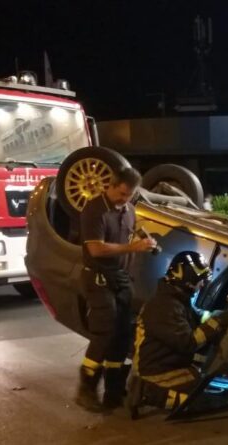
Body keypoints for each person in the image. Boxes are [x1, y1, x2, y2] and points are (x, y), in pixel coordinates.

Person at [78, 167, 156, 412]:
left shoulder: (129, 211)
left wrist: (147, 243)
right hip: (98, 278)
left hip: (121, 279)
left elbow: (130, 237)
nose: (124, 199)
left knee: (123, 334)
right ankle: (86, 388)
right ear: (110, 186)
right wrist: (133, 248)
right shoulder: (94, 210)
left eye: (129, 195)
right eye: (121, 193)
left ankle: (114, 390)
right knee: (105, 330)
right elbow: (96, 250)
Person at [133, 251, 228, 410]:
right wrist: (217, 321)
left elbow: (197, 316)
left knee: (201, 387)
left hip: (169, 366)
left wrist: (223, 314)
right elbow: (188, 342)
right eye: (200, 281)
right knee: (198, 403)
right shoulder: (164, 307)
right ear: (188, 280)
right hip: (154, 373)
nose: (202, 285)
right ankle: (146, 392)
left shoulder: (176, 299)